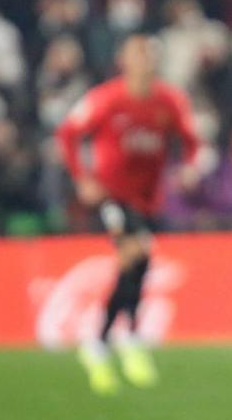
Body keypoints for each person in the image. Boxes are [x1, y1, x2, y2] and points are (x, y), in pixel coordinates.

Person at [56, 35, 208, 395]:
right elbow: (67, 134)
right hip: (112, 195)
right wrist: (82, 178)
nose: (144, 58)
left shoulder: (169, 101)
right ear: (123, 60)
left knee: (139, 265)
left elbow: (190, 139)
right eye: (137, 52)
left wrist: (188, 166)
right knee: (134, 253)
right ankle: (121, 340)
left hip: (147, 200)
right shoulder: (106, 98)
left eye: (149, 52)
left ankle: (107, 340)